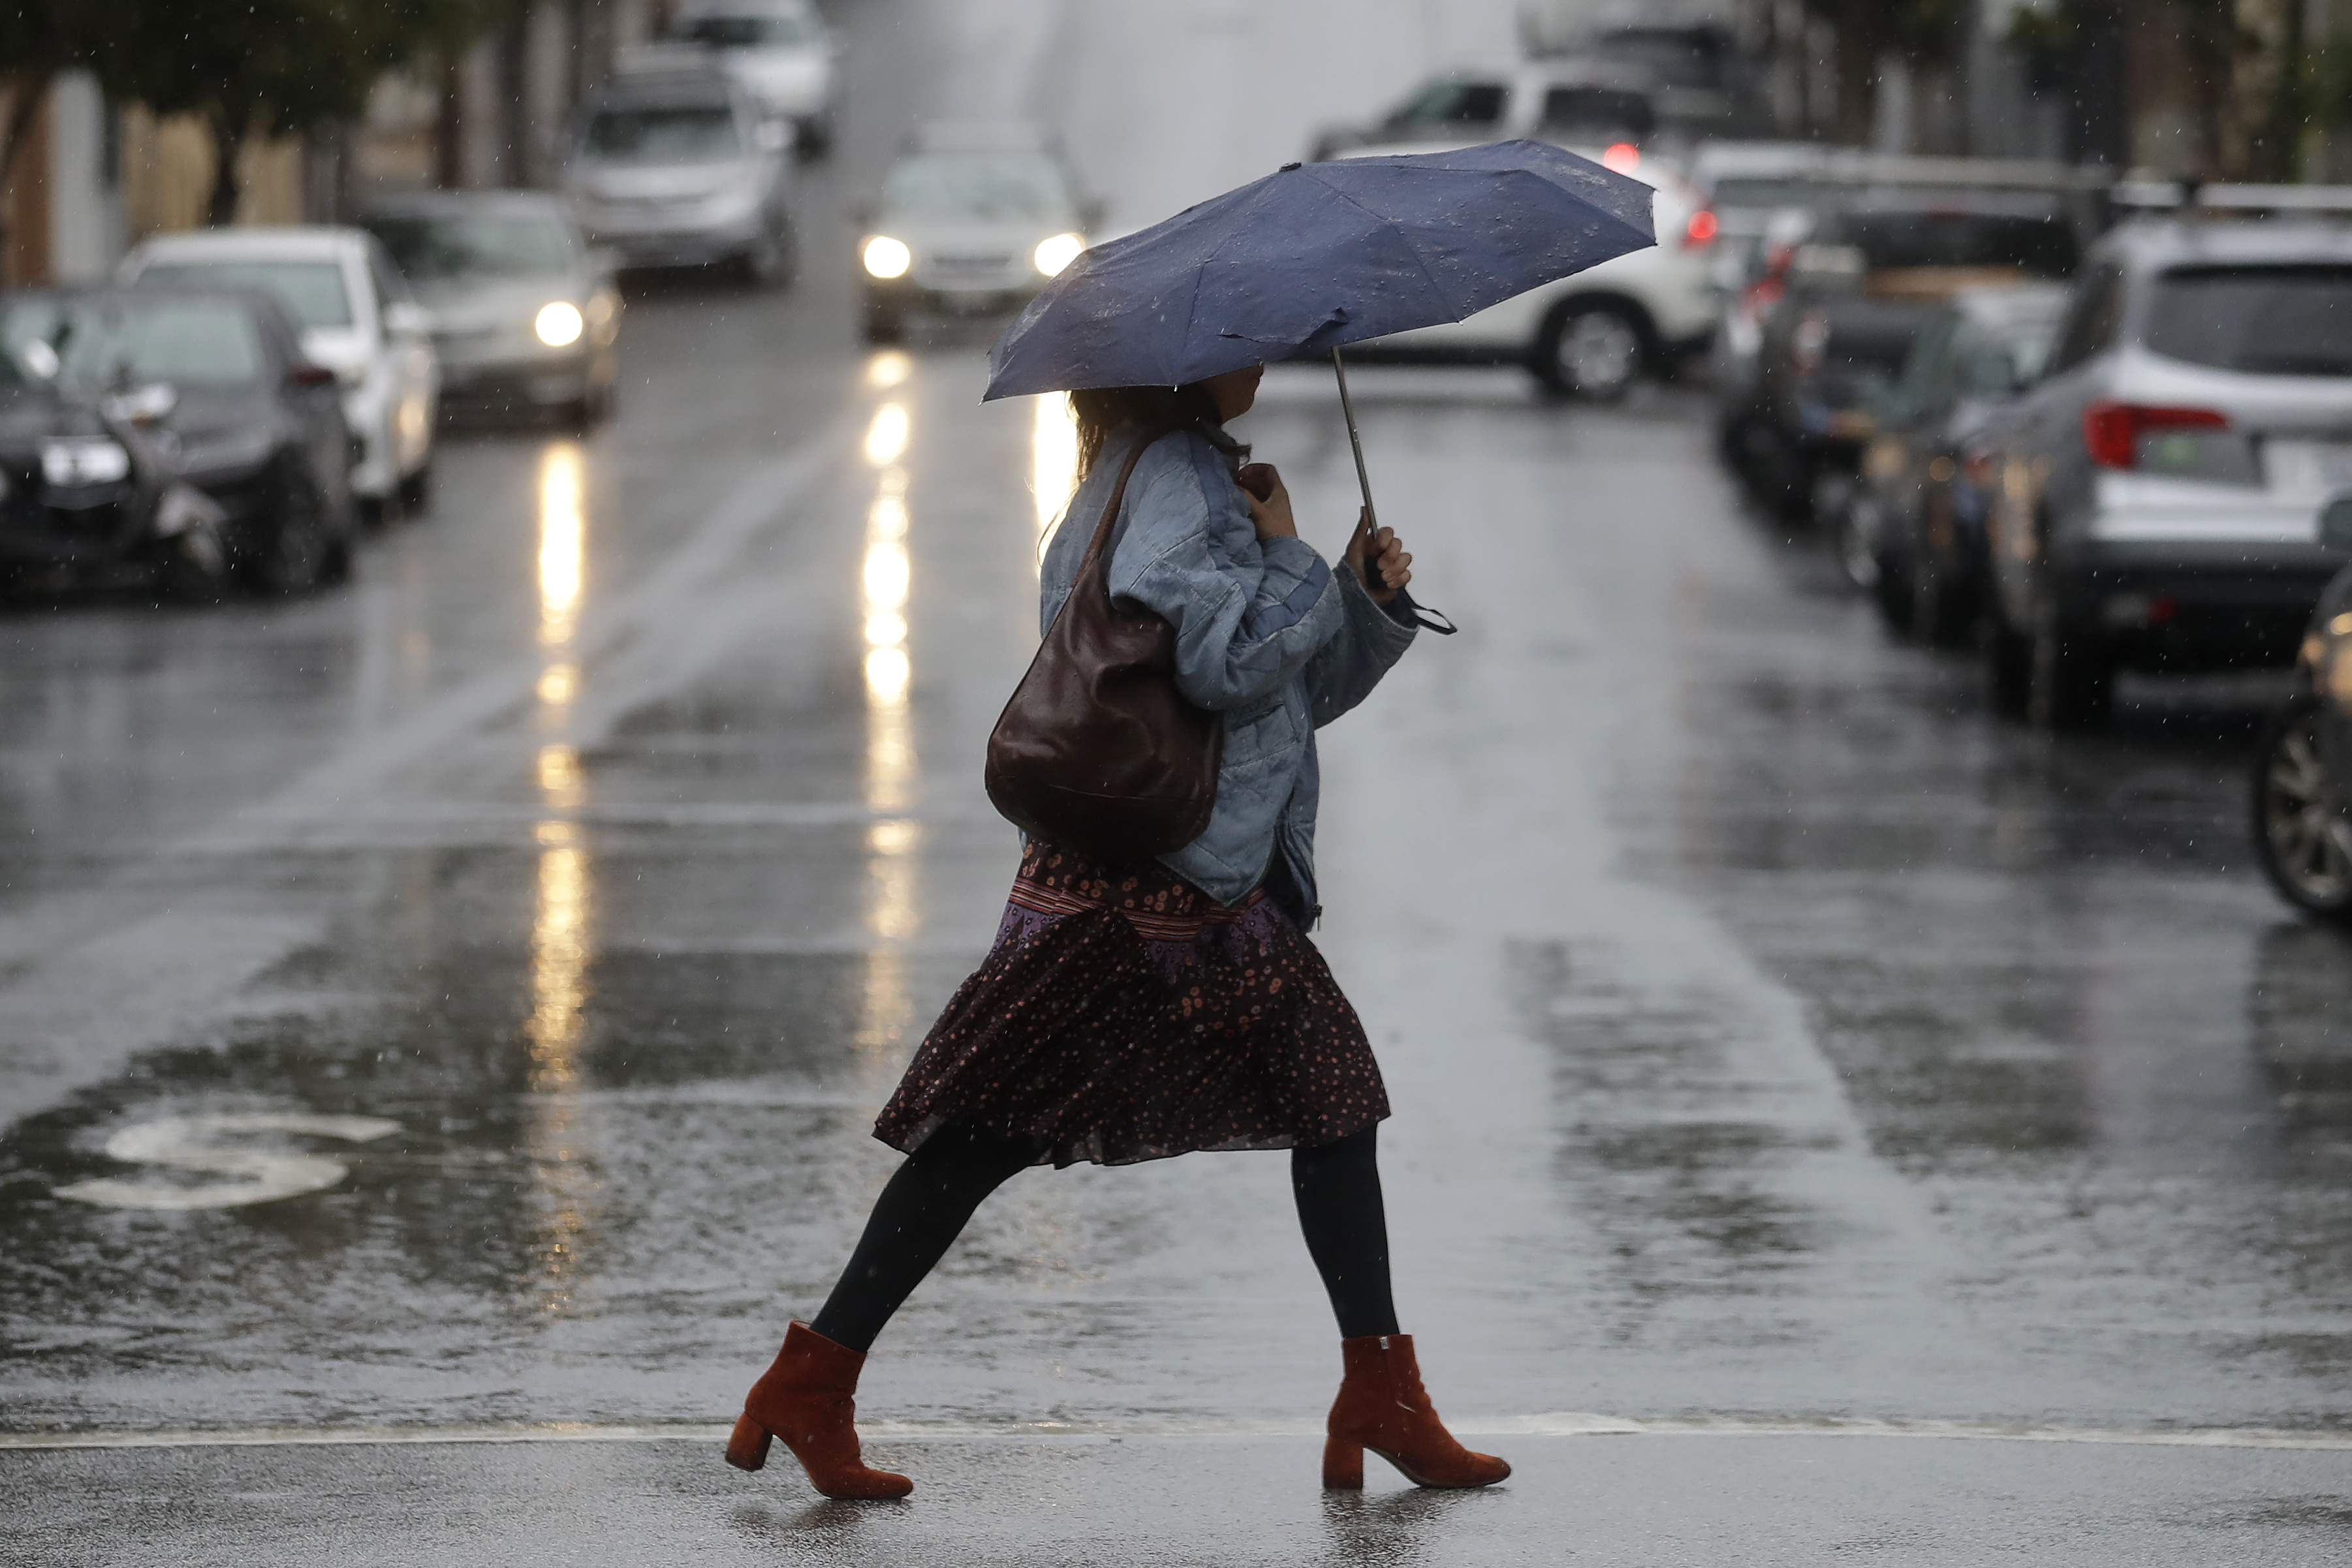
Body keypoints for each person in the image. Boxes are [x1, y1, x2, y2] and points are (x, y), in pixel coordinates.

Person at [722, 362, 1508, 1499]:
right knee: (1291, 1104)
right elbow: (1222, 661)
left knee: (1032, 1129)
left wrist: (1355, 596)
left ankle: (815, 1378)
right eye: (1241, 345)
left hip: (1154, 876)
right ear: (1190, 366)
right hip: (1164, 888)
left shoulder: (1154, 475)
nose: (1259, 363)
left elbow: (1269, 703)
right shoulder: (1181, 478)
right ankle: (1377, 1394)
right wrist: (1292, 558)